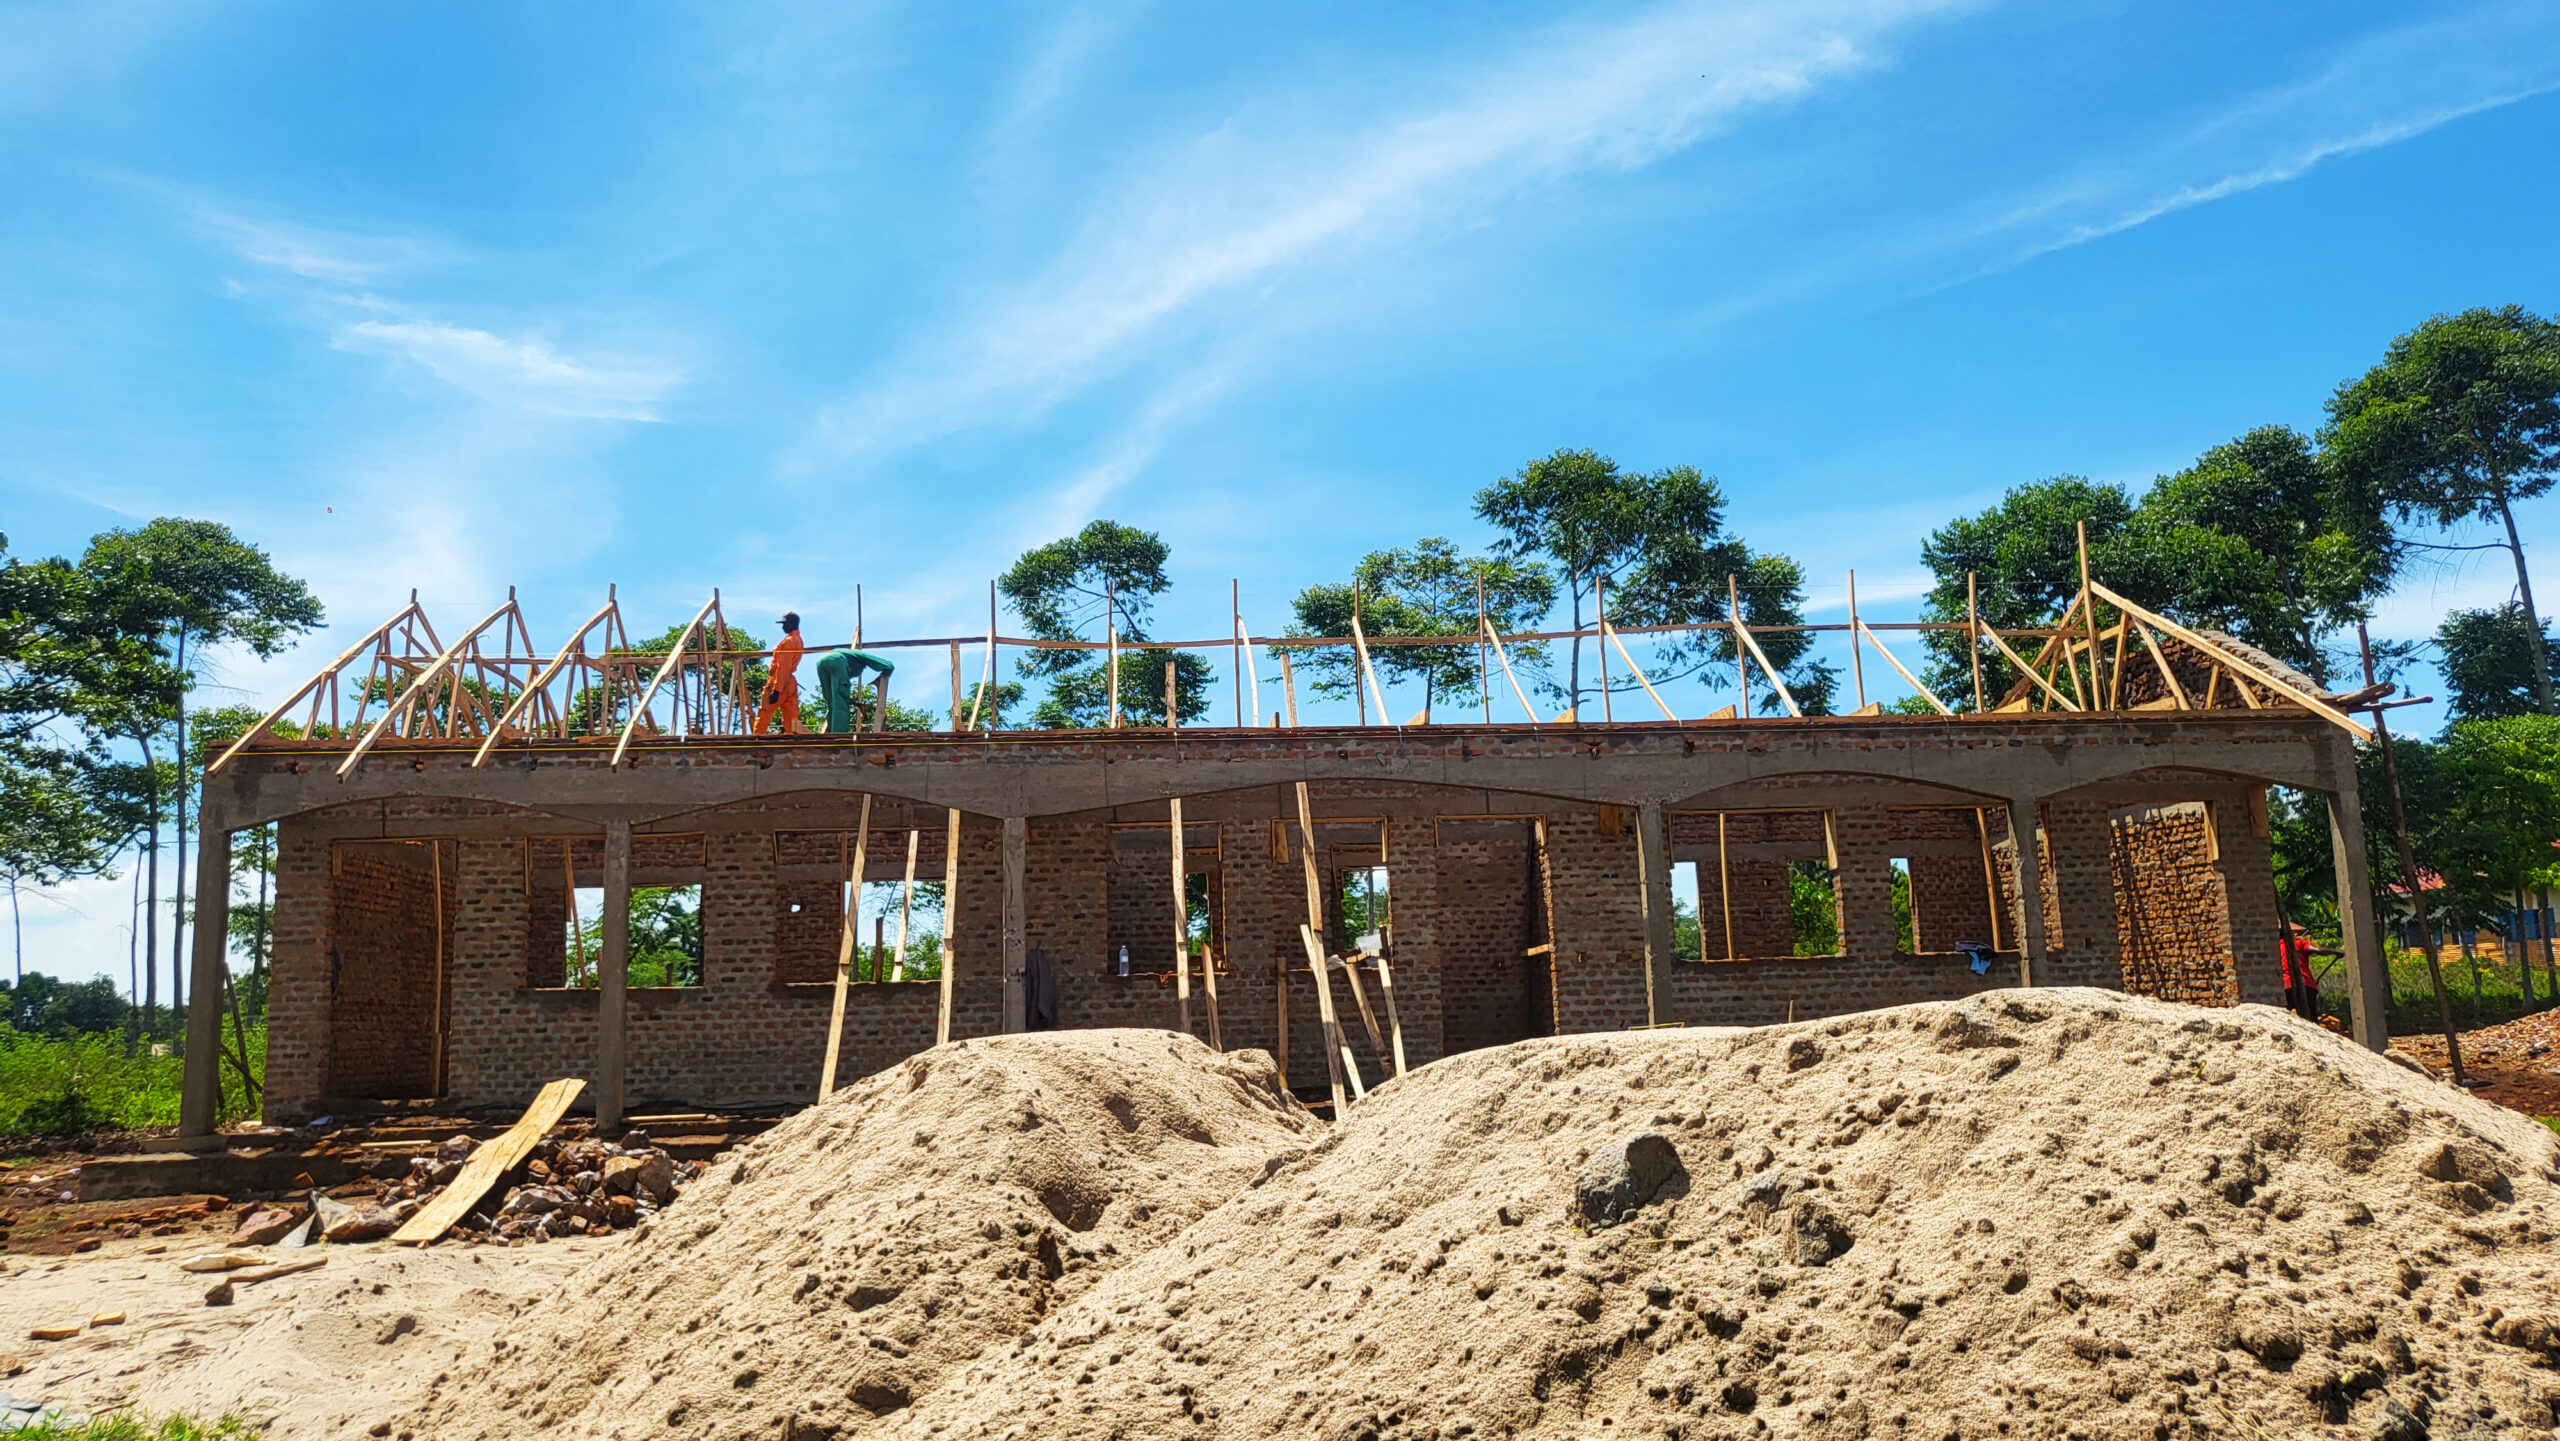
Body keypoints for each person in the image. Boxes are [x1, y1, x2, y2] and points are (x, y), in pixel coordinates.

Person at [814, 645, 898, 733]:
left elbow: (840, 696)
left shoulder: (846, 654)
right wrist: (886, 673)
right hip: (837, 661)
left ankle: (830, 732)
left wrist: (858, 704)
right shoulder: (860, 656)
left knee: (832, 701)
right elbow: (889, 665)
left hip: (821, 664)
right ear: (858, 666)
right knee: (840, 702)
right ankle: (839, 734)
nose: (850, 675)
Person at [754, 612, 809, 734]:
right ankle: (794, 744)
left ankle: (757, 740)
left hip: (780, 680)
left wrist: (776, 690)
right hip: (790, 682)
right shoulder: (799, 640)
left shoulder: (788, 642)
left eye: (785, 624)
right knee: (791, 717)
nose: (783, 627)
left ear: (792, 624)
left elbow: (783, 666)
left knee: (765, 712)